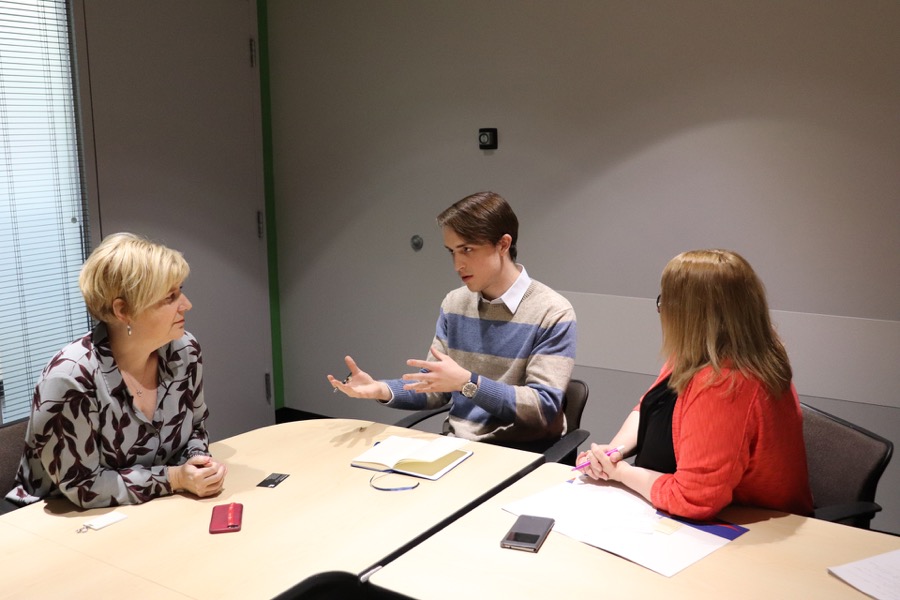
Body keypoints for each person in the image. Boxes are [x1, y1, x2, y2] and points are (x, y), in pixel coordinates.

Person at [577, 249, 813, 521]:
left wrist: (619, 473)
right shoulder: (704, 351)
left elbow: (693, 499)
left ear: (689, 315)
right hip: (682, 504)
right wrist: (613, 453)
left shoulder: (726, 383)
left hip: (739, 524)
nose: (661, 310)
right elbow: (647, 407)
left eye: (664, 301)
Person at [328, 192, 577, 447]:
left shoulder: (553, 312)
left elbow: (543, 408)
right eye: (452, 252)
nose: (458, 264)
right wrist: (380, 389)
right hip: (459, 446)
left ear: (503, 244)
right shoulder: (455, 304)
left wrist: (468, 383)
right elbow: (436, 388)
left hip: (521, 452)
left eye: (467, 249)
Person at [6, 233, 226, 509]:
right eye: (171, 296)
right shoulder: (71, 377)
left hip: (151, 508)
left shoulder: (184, 350)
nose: (186, 304)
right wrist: (174, 478)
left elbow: (195, 427)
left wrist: (199, 464)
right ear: (123, 311)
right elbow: (83, 486)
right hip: (62, 523)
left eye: (180, 290)